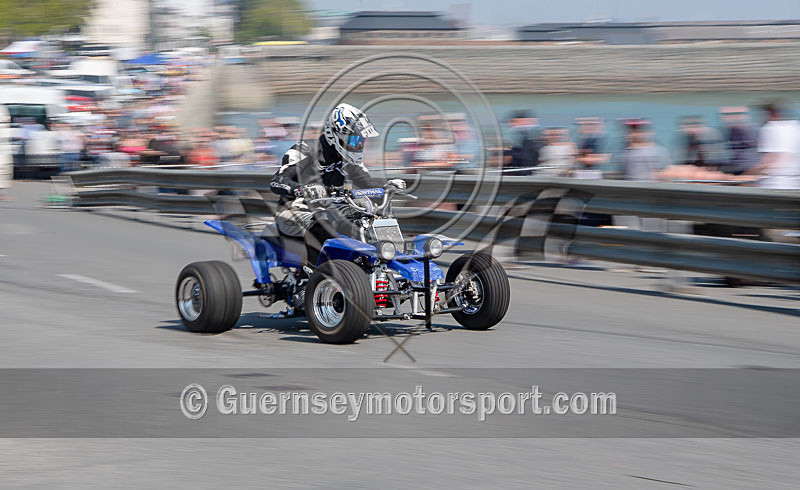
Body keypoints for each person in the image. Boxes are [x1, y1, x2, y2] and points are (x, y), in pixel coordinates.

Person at [270, 103, 406, 266]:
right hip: (294, 211)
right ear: (336, 134)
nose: (358, 144)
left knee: (367, 216)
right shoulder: (305, 150)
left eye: (361, 140)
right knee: (325, 220)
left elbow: (366, 182)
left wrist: (387, 187)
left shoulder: (347, 158)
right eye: (354, 139)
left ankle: (380, 264)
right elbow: (277, 181)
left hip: (330, 210)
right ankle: (318, 273)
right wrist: (301, 189)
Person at [751, 103, 800, 190]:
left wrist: (747, 175)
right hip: (795, 182)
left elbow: (768, 162)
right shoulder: (796, 126)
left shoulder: (770, 128)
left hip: (776, 183)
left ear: (770, 113)